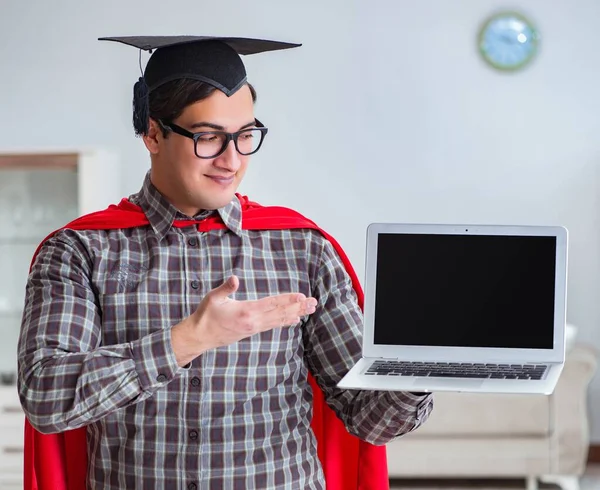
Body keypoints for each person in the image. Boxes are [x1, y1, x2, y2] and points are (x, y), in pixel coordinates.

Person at [17, 35, 433, 490]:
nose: (232, 160)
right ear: (153, 134)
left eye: (246, 135)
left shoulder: (303, 249)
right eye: (209, 137)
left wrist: (417, 364)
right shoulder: (80, 251)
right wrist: (187, 340)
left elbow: (370, 420)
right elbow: (46, 397)